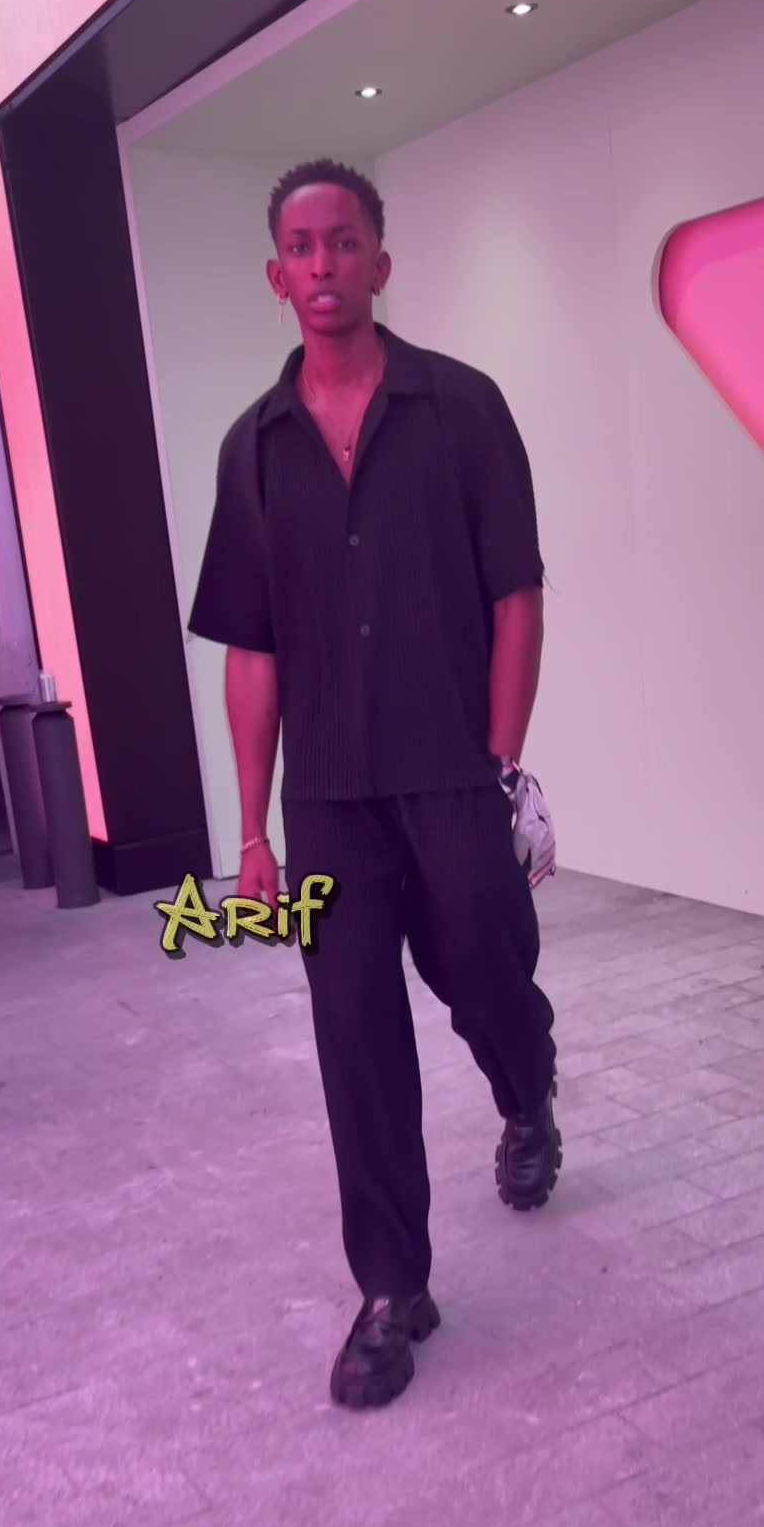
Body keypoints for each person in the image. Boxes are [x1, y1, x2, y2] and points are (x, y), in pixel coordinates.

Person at [188, 158, 560, 1410]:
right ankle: (394, 1288)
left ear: (380, 262)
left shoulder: (462, 409)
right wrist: (252, 832)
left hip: (453, 773)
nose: (324, 265)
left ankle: (527, 1094)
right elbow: (252, 650)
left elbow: (516, 595)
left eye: (344, 242)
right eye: (302, 246)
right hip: (330, 802)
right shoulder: (253, 450)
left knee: (490, 975)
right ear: (276, 274)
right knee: (354, 1037)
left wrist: (501, 766)